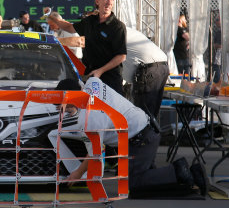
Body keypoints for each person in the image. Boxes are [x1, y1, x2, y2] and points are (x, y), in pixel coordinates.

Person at [56, 77, 207, 197]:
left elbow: (95, 152)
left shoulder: (89, 118)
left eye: (62, 106)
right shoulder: (92, 83)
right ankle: (164, 174)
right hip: (145, 129)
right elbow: (94, 78)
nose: (62, 111)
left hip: (141, 139)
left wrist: (78, 172)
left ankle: (186, 171)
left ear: (71, 100)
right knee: (136, 177)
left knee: (134, 183)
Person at [48, 0, 127, 94]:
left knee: (110, 111)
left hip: (111, 80)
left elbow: (121, 56)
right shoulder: (89, 21)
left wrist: (100, 71)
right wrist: (51, 17)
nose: (109, 3)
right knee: (89, 109)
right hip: (91, 76)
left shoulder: (118, 26)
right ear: (97, 1)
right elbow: (69, 27)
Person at [123, 27, 169, 118]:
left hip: (149, 68)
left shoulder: (112, 32)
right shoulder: (126, 29)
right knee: (151, 115)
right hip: (162, 65)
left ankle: (148, 130)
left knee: (143, 115)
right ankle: (152, 130)